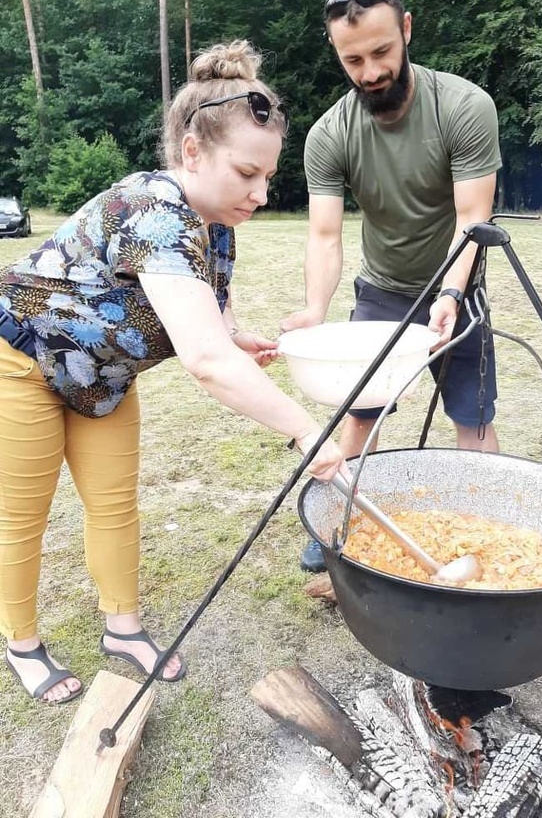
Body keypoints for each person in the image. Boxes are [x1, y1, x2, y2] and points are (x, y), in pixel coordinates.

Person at [0, 39, 346, 704]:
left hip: (100, 378)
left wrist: (236, 333)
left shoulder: (212, 223)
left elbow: (209, 316)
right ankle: (21, 642)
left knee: (114, 507)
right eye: (247, 173)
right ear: (193, 151)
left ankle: (122, 630)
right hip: (22, 359)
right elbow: (205, 362)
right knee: (23, 518)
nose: (262, 193)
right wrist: (308, 432)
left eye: (268, 177)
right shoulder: (157, 211)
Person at [280, 0, 503, 573]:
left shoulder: (464, 107)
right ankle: (341, 520)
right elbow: (325, 235)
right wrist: (311, 308)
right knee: (360, 415)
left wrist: (453, 290)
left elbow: (472, 221)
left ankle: (478, 526)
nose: (370, 71)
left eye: (380, 52)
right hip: (381, 293)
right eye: (353, 59)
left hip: (460, 289)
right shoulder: (329, 134)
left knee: (472, 416)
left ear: (405, 30)